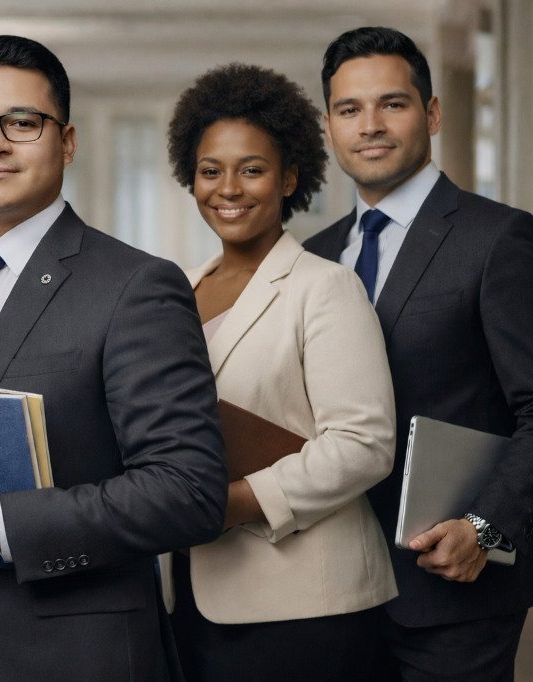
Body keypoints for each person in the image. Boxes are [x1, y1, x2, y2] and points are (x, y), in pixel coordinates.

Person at [0, 35, 228, 682]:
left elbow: (186, 490)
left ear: (67, 141)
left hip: (74, 657)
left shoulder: (134, 285)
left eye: (21, 122)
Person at [303, 26, 533, 681]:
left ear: (430, 113)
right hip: (334, 592)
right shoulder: (315, 256)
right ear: (329, 126)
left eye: (392, 104)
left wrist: (485, 529)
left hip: (453, 591)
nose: (369, 125)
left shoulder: (498, 240)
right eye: (349, 110)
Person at [165, 63, 398, 681]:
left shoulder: (325, 287)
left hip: (305, 604)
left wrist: (233, 504)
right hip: (191, 594)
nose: (228, 188)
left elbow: (364, 444)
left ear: (290, 177)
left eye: (252, 169)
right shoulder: (177, 291)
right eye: (210, 171)